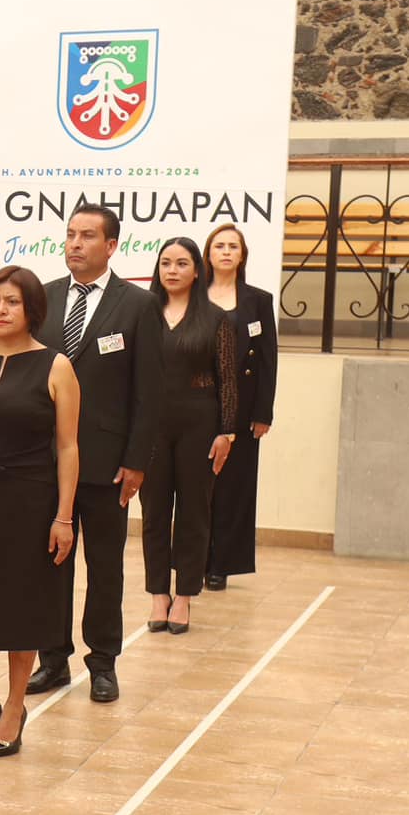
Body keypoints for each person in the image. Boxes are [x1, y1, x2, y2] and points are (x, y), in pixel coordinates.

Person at [26, 203, 163, 704]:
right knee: (49, 564)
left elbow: (149, 391)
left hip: (107, 463)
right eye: (70, 235)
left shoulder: (137, 304)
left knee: (105, 568)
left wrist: (138, 460)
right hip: (44, 462)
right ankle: (52, 659)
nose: (75, 244)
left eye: (87, 236)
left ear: (111, 246)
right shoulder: (42, 297)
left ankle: (102, 662)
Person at [0, 265, 79, 759]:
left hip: (31, 502)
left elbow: (68, 447)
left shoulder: (56, 366)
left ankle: (16, 705)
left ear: (32, 311)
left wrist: (63, 516)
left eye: (12, 302)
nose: (1, 310)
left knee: (23, 611)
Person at [142, 237, 238, 635]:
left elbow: (228, 380)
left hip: (200, 423)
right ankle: (157, 595)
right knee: (154, 513)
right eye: (166, 263)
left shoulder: (215, 318)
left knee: (194, 512)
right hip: (150, 427)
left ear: (197, 270)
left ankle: (184, 596)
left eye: (182, 263)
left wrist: (226, 433)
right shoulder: (143, 313)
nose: (172, 270)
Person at [203, 223, 278, 591]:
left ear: (242, 254)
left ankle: (222, 563)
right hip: (197, 405)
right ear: (209, 253)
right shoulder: (191, 295)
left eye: (234, 246)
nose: (227, 251)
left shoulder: (258, 300)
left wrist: (263, 412)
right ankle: (193, 560)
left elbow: (267, 358)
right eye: (220, 246)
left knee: (234, 488)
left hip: (244, 409)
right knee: (197, 488)